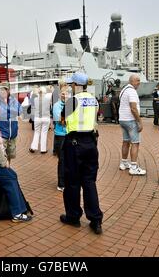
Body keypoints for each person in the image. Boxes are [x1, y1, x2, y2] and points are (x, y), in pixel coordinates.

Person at [60, 72, 103, 235]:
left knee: (72, 181)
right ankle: (96, 219)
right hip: (91, 143)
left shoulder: (73, 101)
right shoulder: (94, 99)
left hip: (74, 142)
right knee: (89, 181)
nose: (70, 86)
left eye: (71, 84)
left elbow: (62, 120)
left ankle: (73, 216)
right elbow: (96, 118)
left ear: (76, 85)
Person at [118, 74, 146, 176]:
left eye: (139, 80)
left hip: (123, 119)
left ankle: (124, 163)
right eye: (137, 80)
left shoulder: (124, 90)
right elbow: (133, 108)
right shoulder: (132, 91)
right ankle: (133, 167)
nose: (139, 82)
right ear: (131, 81)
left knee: (126, 141)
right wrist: (139, 121)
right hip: (131, 120)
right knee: (135, 143)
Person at [0, 82, 22, 165]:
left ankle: (8, 170)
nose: (4, 91)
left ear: (9, 90)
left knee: (10, 156)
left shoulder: (14, 100)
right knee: (1, 157)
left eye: (6, 89)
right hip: (2, 134)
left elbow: (20, 111)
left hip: (13, 134)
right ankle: (2, 175)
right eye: (2, 89)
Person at [29, 86, 52, 154]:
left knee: (37, 132)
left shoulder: (35, 99)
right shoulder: (48, 99)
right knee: (44, 133)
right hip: (46, 118)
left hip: (37, 118)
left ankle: (33, 147)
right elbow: (50, 92)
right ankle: (43, 149)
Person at [52, 87, 68, 191]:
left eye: (67, 94)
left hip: (69, 134)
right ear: (59, 94)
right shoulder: (56, 106)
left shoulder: (72, 105)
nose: (65, 95)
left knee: (70, 160)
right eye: (63, 93)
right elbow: (60, 120)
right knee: (62, 160)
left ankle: (68, 181)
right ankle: (61, 184)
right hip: (60, 136)